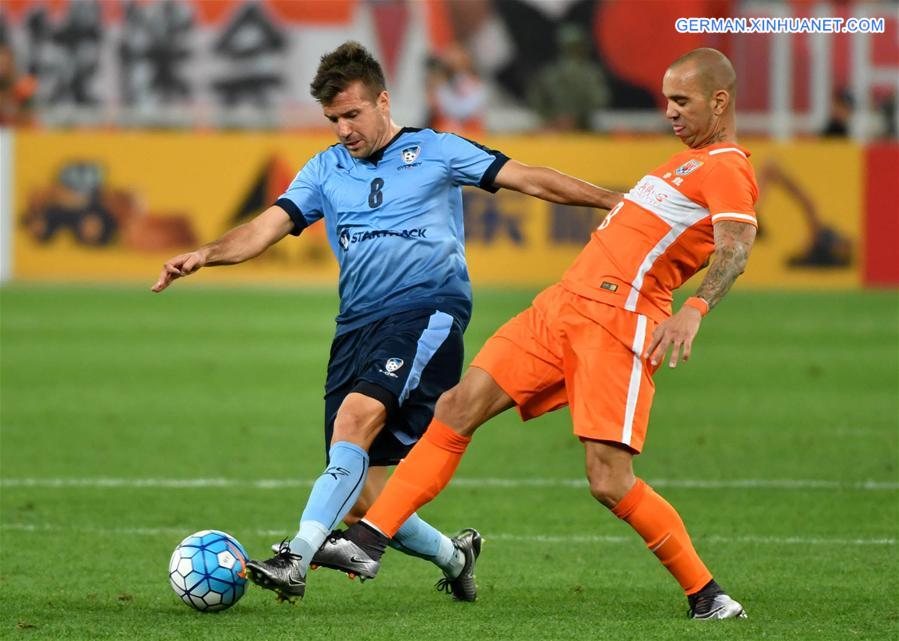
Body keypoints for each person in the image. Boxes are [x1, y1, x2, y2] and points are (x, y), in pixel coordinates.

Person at [151, 41, 621, 603]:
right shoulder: (325, 169)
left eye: (352, 114)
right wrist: (206, 253)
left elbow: (530, 178)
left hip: (427, 312)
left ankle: (296, 557)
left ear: (382, 101)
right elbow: (263, 227)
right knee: (363, 498)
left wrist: (613, 200)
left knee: (356, 418)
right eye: (332, 119)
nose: (343, 129)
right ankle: (455, 555)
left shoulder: (437, 151)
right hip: (356, 326)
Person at [314, 47, 758, 621]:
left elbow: (735, 248)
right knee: (456, 405)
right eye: (667, 99)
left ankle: (709, 595)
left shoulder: (728, 166)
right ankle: (369, 540)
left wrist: (694, 307)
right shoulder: (680, 164)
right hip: (561, 308)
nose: (669, 112)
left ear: (719, 101)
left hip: (618, 321)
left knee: (609, 479)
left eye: (682, 101)